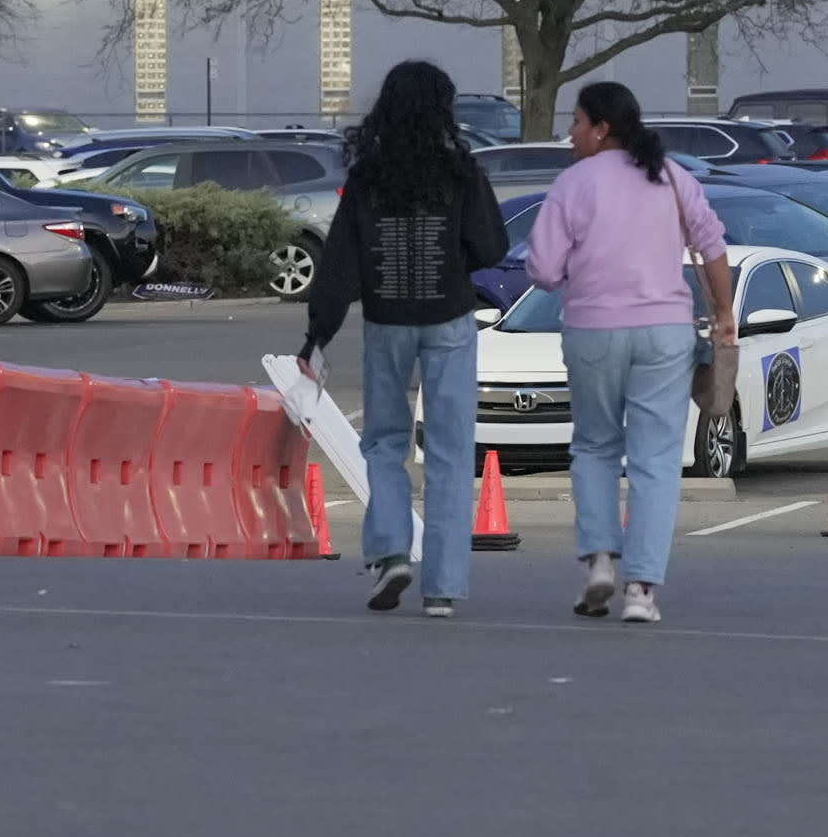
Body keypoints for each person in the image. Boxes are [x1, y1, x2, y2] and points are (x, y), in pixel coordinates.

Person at [300, 61, 505, 619]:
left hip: (386, 322)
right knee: (449, 450)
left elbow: (340, 262)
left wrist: (317, 336)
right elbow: (491, 247)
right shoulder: (461, 172)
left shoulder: (369, 175)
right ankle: (444, 588)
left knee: (384, 443)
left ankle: (392, 551)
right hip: (450, 321)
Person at [525, 81, 734, 624]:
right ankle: (641, 590)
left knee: (595, 445)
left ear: (600, 128)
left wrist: (580, 267)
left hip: (592, 328)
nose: (568, 134)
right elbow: (712, 246)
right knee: (656, 460)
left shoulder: (572, 184)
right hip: (664, 331)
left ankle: (598, 560)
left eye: (575, 122)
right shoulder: (671, 176)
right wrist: (725, 315)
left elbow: (544, 271)